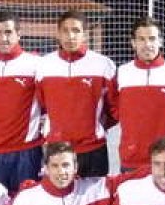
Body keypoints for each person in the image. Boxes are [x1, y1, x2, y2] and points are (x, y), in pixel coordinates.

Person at [35, 9, 116, 177]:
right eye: (65, 31)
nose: (70, 36)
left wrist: (93, 128)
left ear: (84, 34)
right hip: (56, 149)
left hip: (93, 149)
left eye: (76, 31)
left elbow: (114, 108)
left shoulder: (103, 64)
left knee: (94, 202)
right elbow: (42, 104)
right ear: (58, 34)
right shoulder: (44, 65)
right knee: (58, 201)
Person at [109, 16, 165, 174]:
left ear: (160, 41)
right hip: (131, 159)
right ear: (133, 43)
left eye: (152, 38)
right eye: (141, 39)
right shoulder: (122, 73)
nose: (147, 44)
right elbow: (114, 110)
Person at [0, 10, 43, 193]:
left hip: (26, 151)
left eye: (8, 32)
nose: (4, 38)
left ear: (18, 33)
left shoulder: (36, 65)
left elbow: (47, 103)